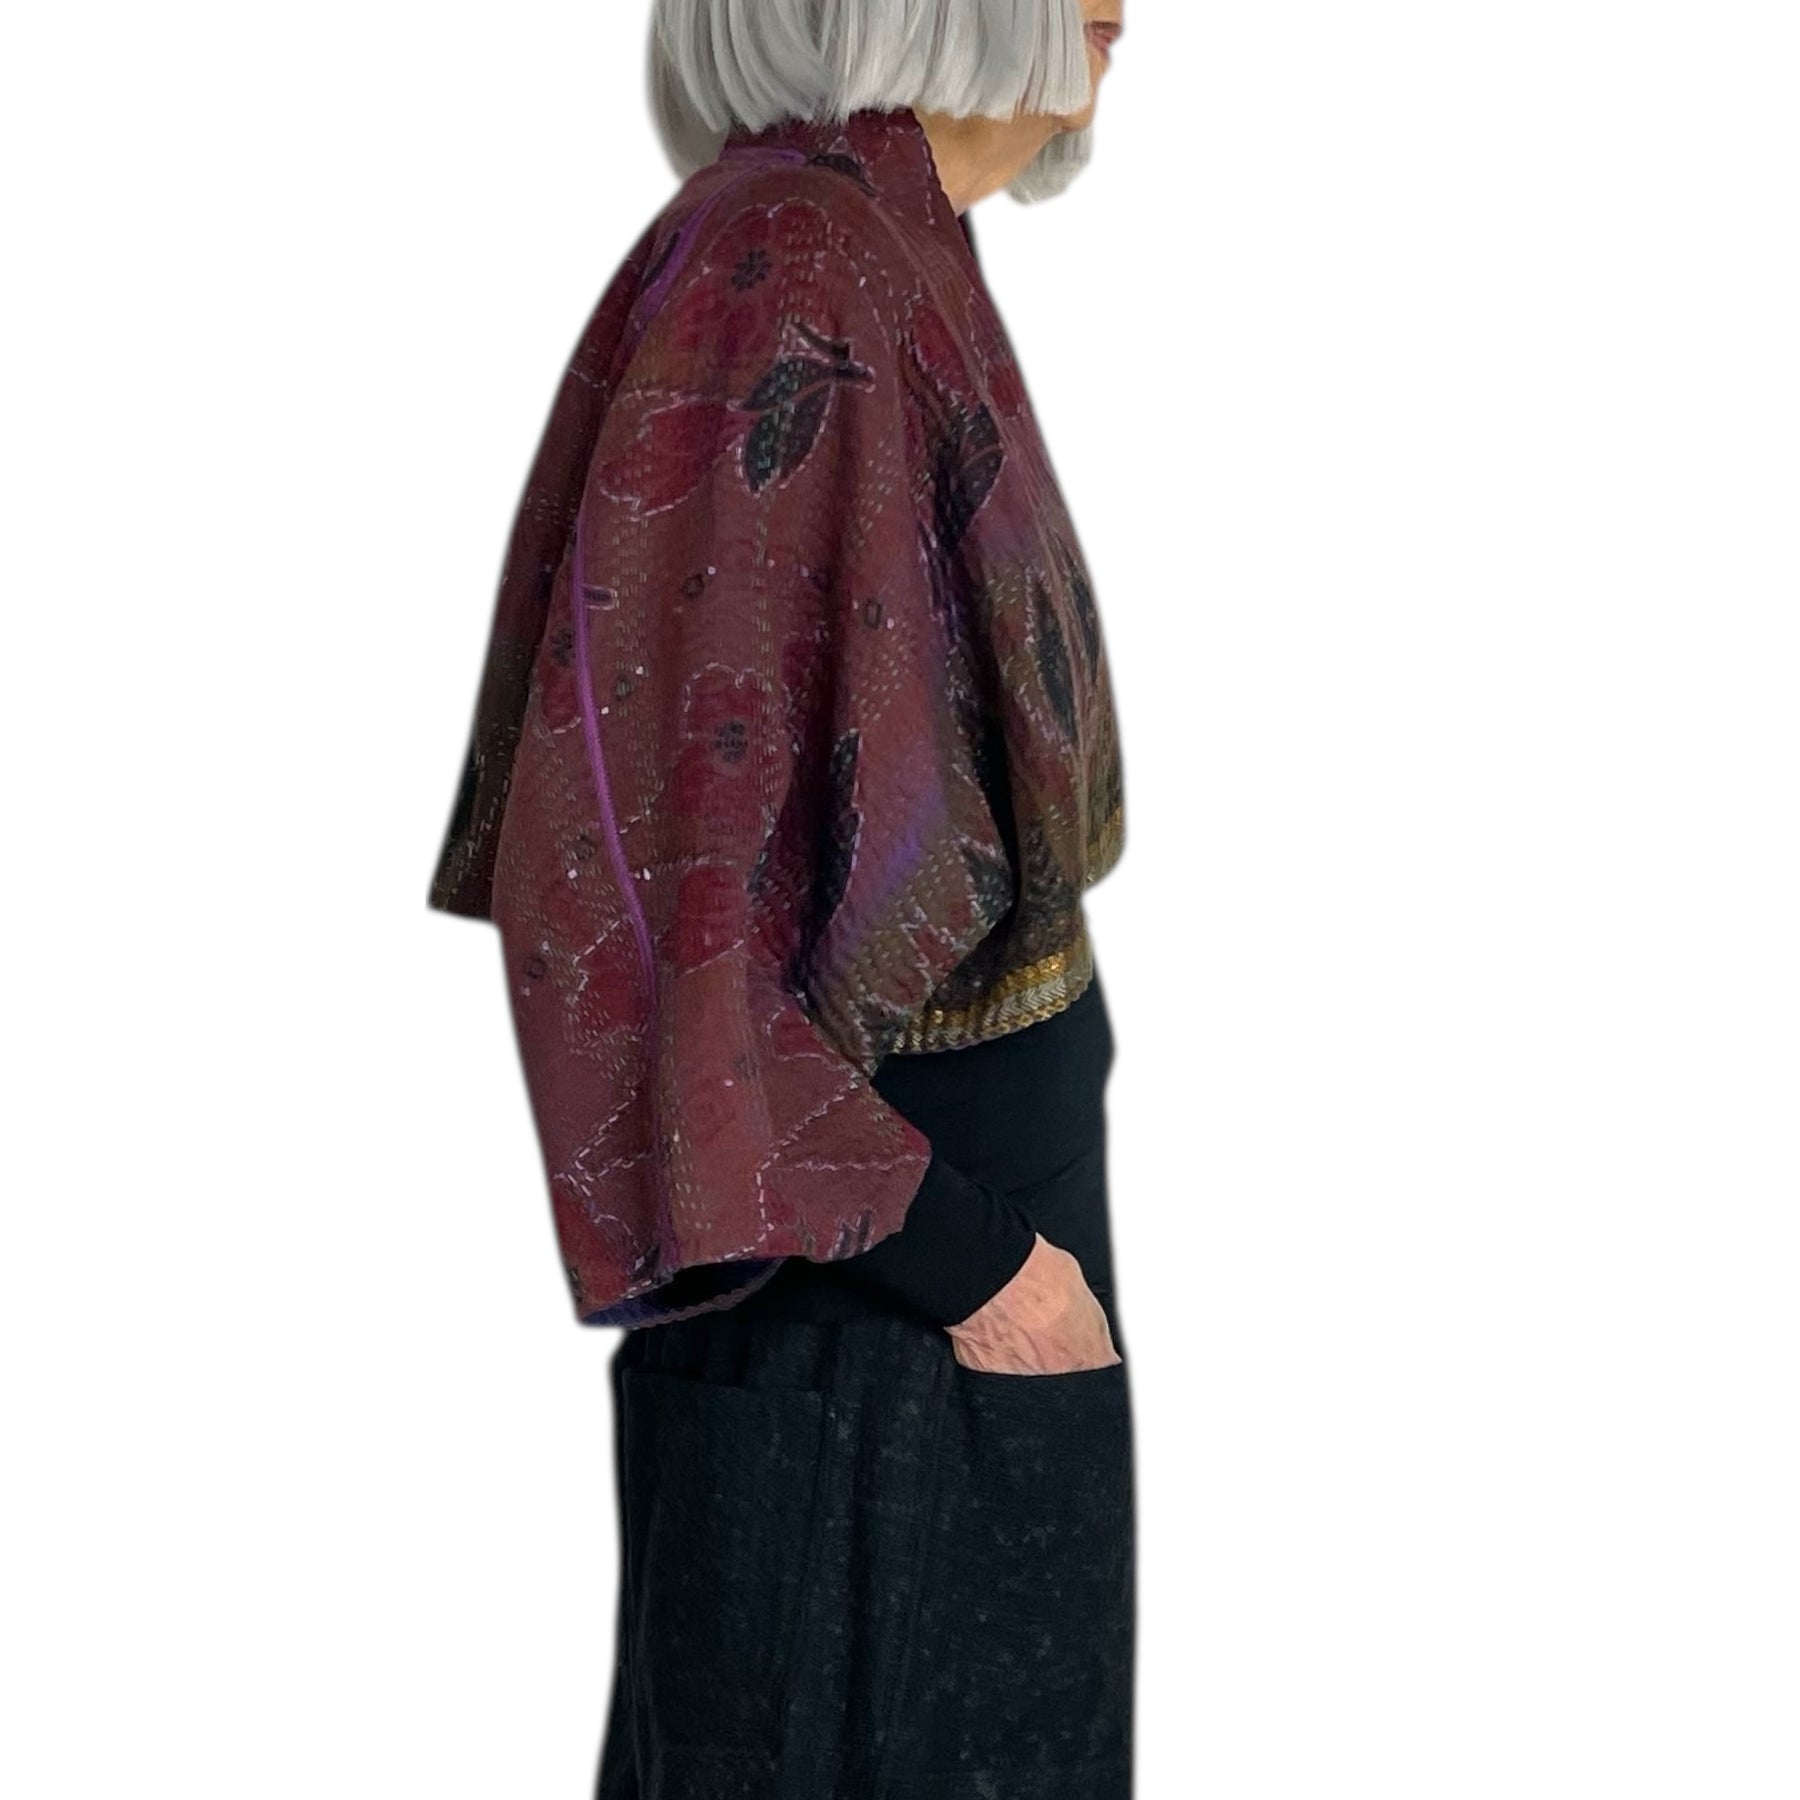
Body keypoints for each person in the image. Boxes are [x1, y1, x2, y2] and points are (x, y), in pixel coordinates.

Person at [427, 2, 1134, 1792]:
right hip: (881, 1316)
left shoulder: (887, 235)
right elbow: (656, 905)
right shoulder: (792, 267)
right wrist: (975, 1266)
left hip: (931, 1317)